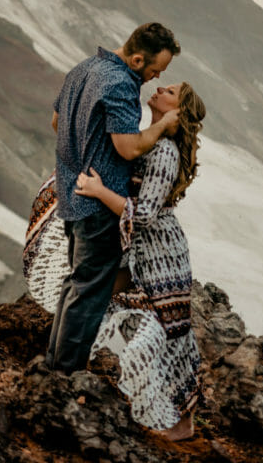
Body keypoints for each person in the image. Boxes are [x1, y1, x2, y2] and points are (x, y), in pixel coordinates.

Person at [45, 22, 181, 374]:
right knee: (90, 293)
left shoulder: (83, 68)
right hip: (99, 206)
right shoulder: (121, 83)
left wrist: (82, 155)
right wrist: (163, 126)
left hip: (72, 195)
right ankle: (65, 374)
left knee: (76, 283)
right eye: (155, 69)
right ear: (137, 59)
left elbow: (57, 123)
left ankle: (53, 364)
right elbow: (128, 145)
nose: (155, 77)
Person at [75, 80, 206, 441]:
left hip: (161, 255)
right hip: (139, 249)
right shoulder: (149, 139)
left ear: (178, 112)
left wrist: (99, 192)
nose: (161, 87)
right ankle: (132, 394)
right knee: (109, 305)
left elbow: (146, 214)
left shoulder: (165, 151)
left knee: (171, 330)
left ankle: (182, 422)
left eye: (171, 91)